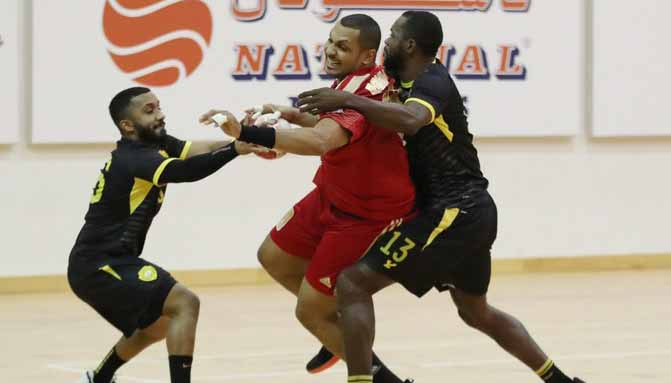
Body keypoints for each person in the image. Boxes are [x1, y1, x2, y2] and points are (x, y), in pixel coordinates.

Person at [296, 11, 587, 383]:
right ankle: (561, 381)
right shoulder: (396, 83)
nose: (386, 43)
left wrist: (347, 100)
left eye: (393, 36)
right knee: (475, 312)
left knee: (353, 283)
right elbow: (370, 121)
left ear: (410, 44)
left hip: (455, 211)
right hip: (467, 212)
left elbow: (410, 120)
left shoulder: (432, 79)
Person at [203, 14, 414, 383]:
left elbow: (323, 140)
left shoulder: (366, 90)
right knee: (274, 256)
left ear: (366, 56)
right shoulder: (355, 80)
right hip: (332, 195)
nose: (332, 51)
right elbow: (329, 127)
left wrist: (248, 132)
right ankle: (338, 331)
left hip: (365, 215)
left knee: (309, 312)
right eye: (332, 41)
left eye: (343, 47)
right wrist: (291, 116)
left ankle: (382, 376)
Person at [68, 87, 259, 383]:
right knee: (185, 303)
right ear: (127, 125)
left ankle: (99, 378)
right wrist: (235, 150)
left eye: (158, 106)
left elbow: (200, 152)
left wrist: (242, 137)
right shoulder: (135, 158)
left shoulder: (156, 144)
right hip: (98, 265)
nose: (160, 114)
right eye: (149, 110)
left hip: (110, 261)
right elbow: (187, 171)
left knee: (157, 325)